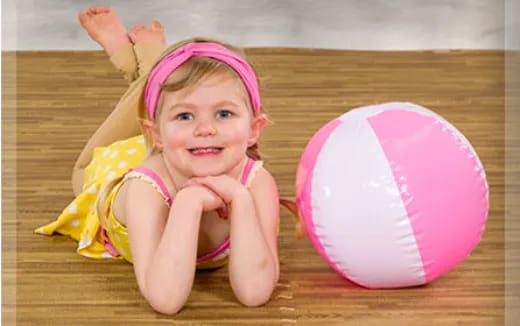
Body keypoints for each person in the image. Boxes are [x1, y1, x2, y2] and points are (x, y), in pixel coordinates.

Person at [35, 7, 280, 315]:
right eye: (186, 115)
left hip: (180, 147)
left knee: (170, 96)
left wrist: (240, 200)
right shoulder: (144, 190)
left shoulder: (256, 184)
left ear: (254, 130)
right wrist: (187, 203)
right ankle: (142, 61)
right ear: (156, 136)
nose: (206, 128)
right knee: (82, 172)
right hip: (123, 167)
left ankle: (151, 69)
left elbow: (255, 293)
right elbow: (165, 299)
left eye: (224, 113)